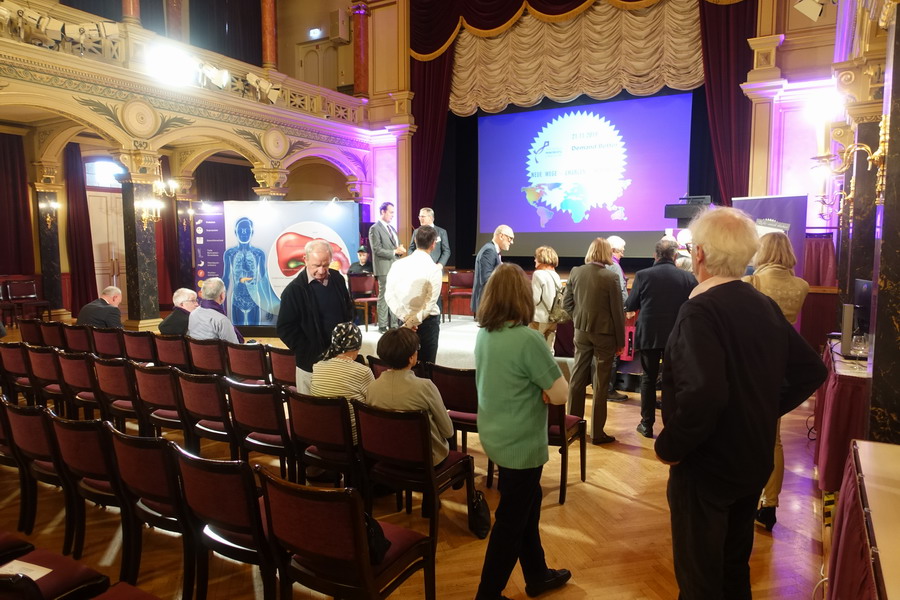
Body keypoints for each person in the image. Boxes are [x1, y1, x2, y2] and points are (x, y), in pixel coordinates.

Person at [654, 207, 826, 600]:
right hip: (751, 459)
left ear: (699, 253)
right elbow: (810, 370)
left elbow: (704, 394)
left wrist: (669, 447)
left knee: (699, 581)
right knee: (734, 570)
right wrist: (759, 407)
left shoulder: (700, 309)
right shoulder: (761, 303)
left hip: (707, 465)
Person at [474, 263, 571, 600]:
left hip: (495, 436)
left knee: (527, 505)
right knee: (511, 523)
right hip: (522, 444)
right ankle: (487, 594)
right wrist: (544, 389)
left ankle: (537, 574)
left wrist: (543, 388)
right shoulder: (528, 339)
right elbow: (561, 394)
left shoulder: (485, 334)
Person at [742, 231, 810, 531]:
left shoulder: (752, 282)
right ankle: (769, 504)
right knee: (774, 438)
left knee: (745, 432)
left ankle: (745, 495)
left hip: (751, 363)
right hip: (781, 365)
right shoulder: (802, 286)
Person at [624, 239, 697, 439]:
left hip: (649, 334)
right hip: (676, 335)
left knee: (648, 379)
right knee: (672, 380)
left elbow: (631, 305)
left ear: (655, 255)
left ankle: (646, 424)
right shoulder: (687, 278)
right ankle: (671, 424)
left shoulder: (642, 275)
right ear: (675, 256)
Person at [563, 237, 625, 444]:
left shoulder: (576, 272)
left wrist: (579, 319)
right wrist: (621, 341)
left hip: (581, 332)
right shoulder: (611, 277)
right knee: (600, 383)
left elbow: (566, 303)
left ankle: (572, 426)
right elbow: (617, 312)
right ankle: (597, 433)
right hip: (605, 335)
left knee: (577, 378)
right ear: (607, 253)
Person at [365, 327, 453, 466]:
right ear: (411, 357)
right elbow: (448, 431)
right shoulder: (425, 387)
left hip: (386, 455)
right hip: (425, 460)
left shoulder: (372, 388)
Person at [277, 240, 355, 394]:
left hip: (340, 359)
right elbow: (285, 328)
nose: (321, 270)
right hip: (310, 365)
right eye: (316, 265)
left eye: (326, 265)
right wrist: (309, 351)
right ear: (305, 260)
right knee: (309, 407)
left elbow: (348, 308)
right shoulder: (293, 291)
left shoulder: (337, 279)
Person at [385, 225, 443, 364]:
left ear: (415, 240)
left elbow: (389, 295)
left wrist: (406, 320)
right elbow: (430, 303)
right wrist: (412, 321)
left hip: (404, 321)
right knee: (427, 368)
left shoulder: (397, 265)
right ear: (433, 244)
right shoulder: (434, 269)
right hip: (427, 323)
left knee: (404, 366)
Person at [310, 322, 374, 444]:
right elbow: (374, 404)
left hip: (321, 435)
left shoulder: (318, 366)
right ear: (358, 345)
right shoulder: (363, 371)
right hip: (353, 439)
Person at [222, 217, 280, 325]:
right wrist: (220, 303)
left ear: (252, 232)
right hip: (237, 299)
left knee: (255, 332)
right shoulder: (230, 253)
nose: (244, 233)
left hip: (254, 300)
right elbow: (226, 278)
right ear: (235, 232)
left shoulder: (258, 253)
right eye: (241, 230)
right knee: (237, 332)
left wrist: (269, 304)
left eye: (247, 230)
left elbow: (264, 280)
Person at [368, 202, 406, 332]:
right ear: (383, 212)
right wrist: (394, 252)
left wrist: (400, 249)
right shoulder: (375, 228)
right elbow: (376, 249)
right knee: (384, 295)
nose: (393, 215)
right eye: (390, 212)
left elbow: (396, 245)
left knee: (395, 295)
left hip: (395, 266)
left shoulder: (392, 229)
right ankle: (383, 325)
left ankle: (394, 324)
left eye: (393, 212)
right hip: (384, 267)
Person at [472, 225, 514, 315]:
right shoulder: (489, 251)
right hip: (487, 303)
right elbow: (486, 278)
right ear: (501, 236)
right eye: (510, 238)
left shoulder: (493, 250)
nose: (511, 242)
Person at [605, 235, 628, 401]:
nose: (623, 254)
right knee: (612, 354)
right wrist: (627, 308)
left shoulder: (597, 265)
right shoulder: (614, 267)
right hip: (613, 316)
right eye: (621, 251)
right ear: (613, 250)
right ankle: (609, 390)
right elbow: (621, 291)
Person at [188, 277, 241, 343]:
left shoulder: (193, 314)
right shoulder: (222, 320)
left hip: (196, 350)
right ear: (222, 296)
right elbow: (234, 346)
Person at [529, 245, 562, 351]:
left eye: (536, 257)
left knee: (533, 348)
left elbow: (535, 299)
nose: (534, 260)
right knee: (549, 349)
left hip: (538, 319)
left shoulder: (538, 274)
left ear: (542, 258)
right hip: (553, 318)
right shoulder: (556, 275)